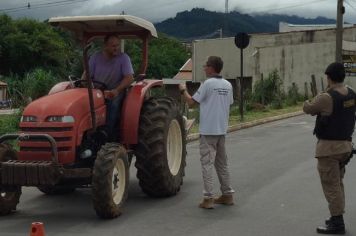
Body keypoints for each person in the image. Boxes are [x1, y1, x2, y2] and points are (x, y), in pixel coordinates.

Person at [303, 62, 356, 234]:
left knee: (331, 186)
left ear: (329, 77)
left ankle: (337, 223)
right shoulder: (351, 93)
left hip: (329, 150)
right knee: (337, 183)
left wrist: (308, 99)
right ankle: (336, 217)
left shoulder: (327, 96)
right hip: (346, 147)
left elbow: (308, 108)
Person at [179, 56, 235, 209]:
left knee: (207, 164)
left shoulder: (207, 84)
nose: (204, 68)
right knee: (222, 164)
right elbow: (229, 103)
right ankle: (227, 194)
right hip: (221, 130)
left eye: (206, 66)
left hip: (208, 130)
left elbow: (191, 103)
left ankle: (208, 198)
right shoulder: (228, 85)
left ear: (211, 67)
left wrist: (183, 90)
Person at [86, 34, 134, 141]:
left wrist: (116, 90)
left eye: (117, 45)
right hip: (97, 91)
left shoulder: (123, 58)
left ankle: (107, 134)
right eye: (113, 46)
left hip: (116, 90)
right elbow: (86, 76)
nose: (116, 48)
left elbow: (129, 78)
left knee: (113, 103)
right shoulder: (95, 58)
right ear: (105, 46)